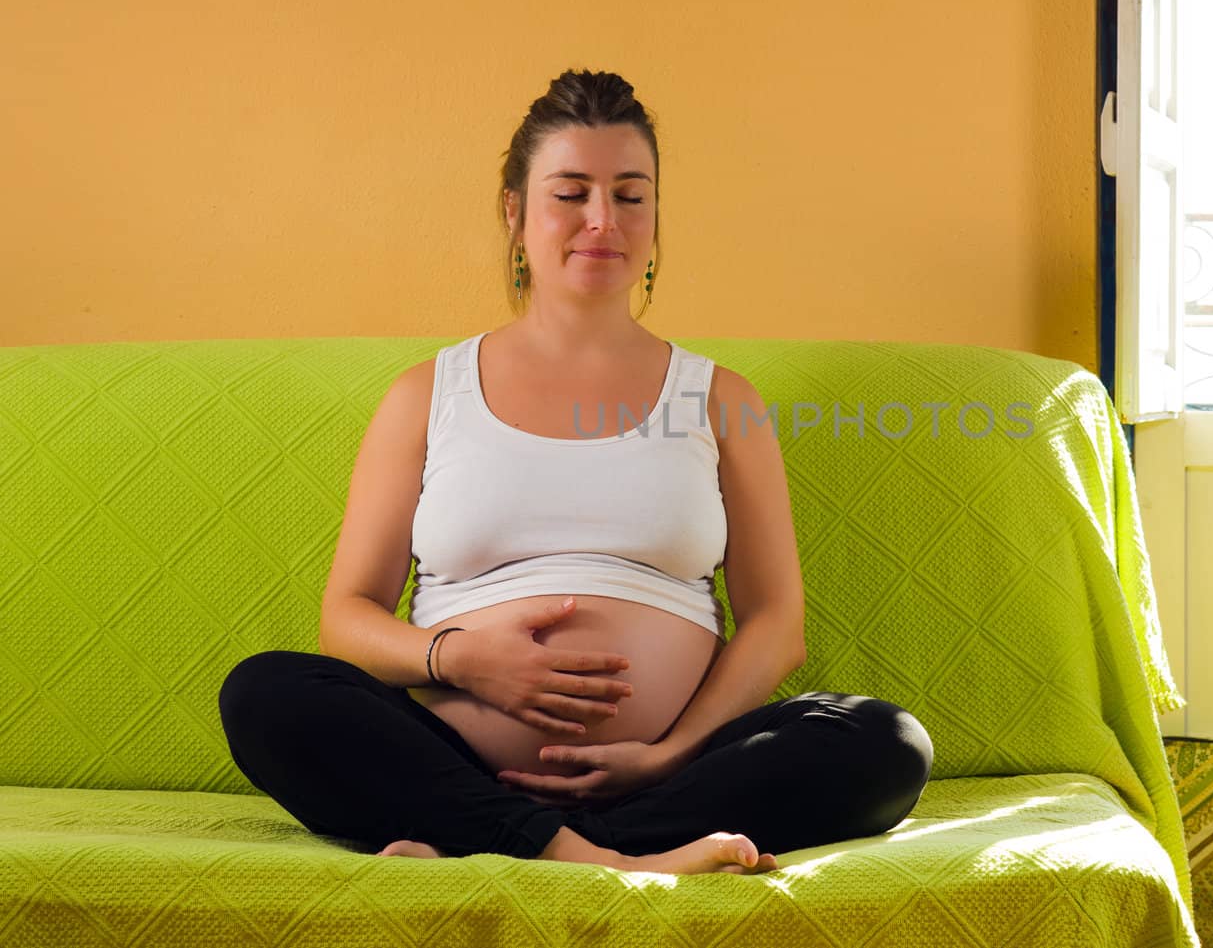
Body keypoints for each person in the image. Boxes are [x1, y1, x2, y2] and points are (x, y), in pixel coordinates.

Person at [218, 68, 934, 876]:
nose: (603, 220)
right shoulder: (428, 394)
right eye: (571, 192)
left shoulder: (721, 399)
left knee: (886, 741)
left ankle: (489, 840)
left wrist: (668, 753)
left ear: (657, 214)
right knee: (264, 694)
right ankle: (613, 856)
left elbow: (776, 624)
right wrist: (458, 657)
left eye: (631, 195)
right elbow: (347, 617)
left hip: (668, 773)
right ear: (514, 209)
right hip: (456, 756)